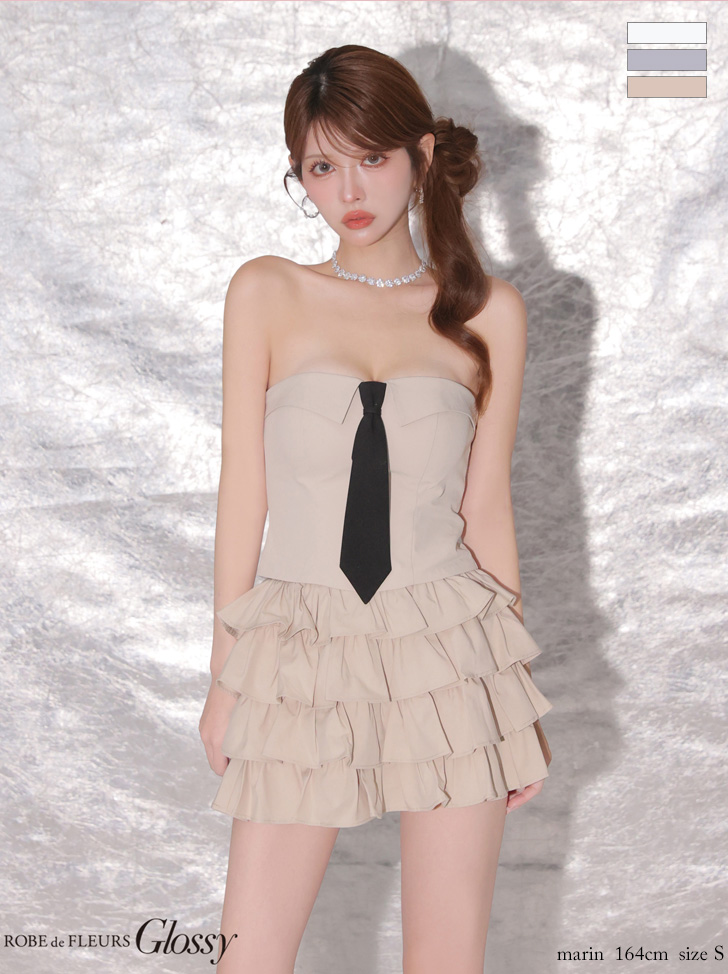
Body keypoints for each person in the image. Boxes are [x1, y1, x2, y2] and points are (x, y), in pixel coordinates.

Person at [198, 44, 553, 974]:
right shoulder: (268, 292)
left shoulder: (490, 315)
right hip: (302, 649)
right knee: (248, 958)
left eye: (371, 157)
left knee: (446, 961)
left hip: (450, 655)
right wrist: (226, 675)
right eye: (321, 167)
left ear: (421, 156)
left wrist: (514, 703)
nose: (348, 190)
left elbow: (485, 509)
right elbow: (243, 490)